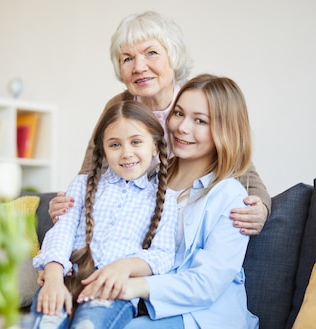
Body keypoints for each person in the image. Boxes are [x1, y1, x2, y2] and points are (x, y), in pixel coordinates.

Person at [79, 74, 261, 329]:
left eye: (200, 120)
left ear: (225, 129)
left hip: (200, 320)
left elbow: (206, 285)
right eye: (179, 113)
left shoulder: (230, 197)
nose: (182, 127)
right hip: (136, 305)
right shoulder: (147, 177)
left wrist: (131, 286)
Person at [49, 11, 270, 236]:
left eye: (151, 53)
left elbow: (240, 167)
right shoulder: (118, 107)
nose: (139, 67)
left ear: (173, 57)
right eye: (127, 58)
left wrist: (260, 208)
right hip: (129, 225)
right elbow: (90, 173)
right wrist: (67, 205)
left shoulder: (195, 103)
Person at [31, 100, 178, 329]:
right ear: (103, 150)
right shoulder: (82, 184)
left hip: (114, 293)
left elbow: (163, 255)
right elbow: (60, 232)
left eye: (136, 142)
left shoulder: (165, 199)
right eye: (115, 145)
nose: (126, 153)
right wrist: (52, 278)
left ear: (155, 147)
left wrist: (123, 267)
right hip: (66, 281)